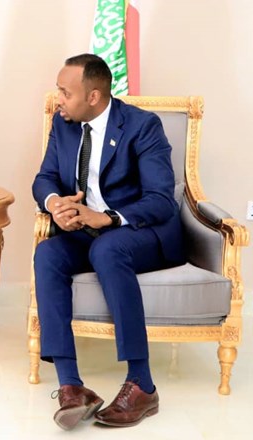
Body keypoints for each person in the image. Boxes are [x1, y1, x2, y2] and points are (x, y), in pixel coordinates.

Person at [32, 54, 184, 430]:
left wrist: (110, 217)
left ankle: (142, 383)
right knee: (48, 251)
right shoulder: (64, 124)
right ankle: (71, 385)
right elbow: (45, 178)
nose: (58, 99)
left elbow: (162, 199)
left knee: (108, 246)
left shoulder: (142, 126)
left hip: (141, 233)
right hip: (89, 231)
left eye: (66, 92)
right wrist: (57, 206)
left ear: (94, 96)